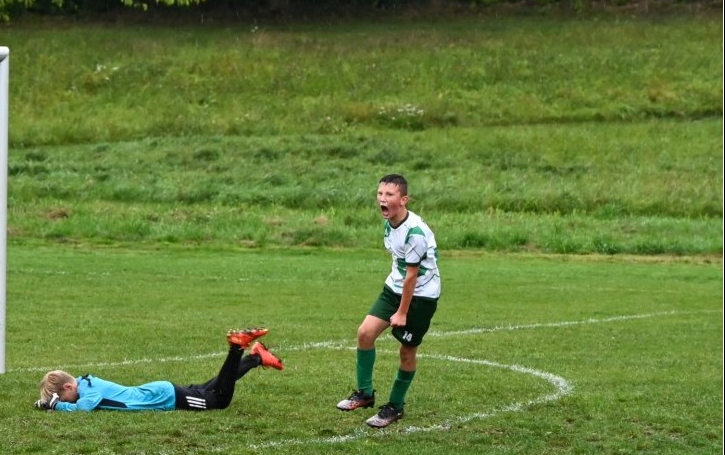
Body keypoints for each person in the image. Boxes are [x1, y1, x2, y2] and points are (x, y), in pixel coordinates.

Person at [337, 173, 440, 428]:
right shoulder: (389, 222)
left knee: (406, 352)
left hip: (421, 296)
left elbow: (412, 277)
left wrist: (402, 313)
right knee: (365, 333)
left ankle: (395, 406)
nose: (383, 199)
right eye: (380, 194)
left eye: (390, 195)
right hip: (394, 287)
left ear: (403, 199)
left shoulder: (414, 232)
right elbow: (400, 269)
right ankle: (365, 393)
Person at [35, 328, 283, 412]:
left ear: (69, 386)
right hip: (159, 391)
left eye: (62, 395)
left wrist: (57, 406)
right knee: (213, 387)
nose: (65, 399)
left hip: (164, 397)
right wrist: (50, 402)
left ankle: (237, 349)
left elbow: (83, 409)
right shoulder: (85, 382)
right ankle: (255, 358)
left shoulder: (88, 391)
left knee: (220, 400)